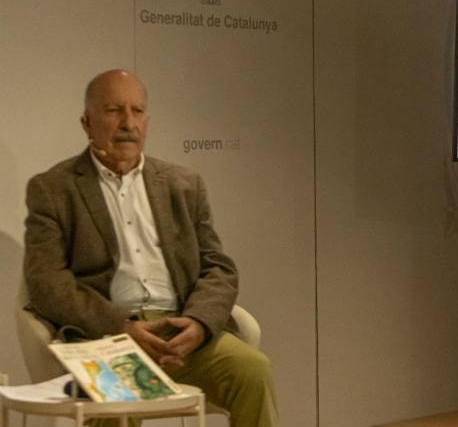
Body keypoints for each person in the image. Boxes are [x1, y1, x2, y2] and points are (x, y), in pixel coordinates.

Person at [23, 69, 278, 427]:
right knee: (116, 400)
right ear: (87, 123)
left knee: (253, 371)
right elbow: (47, 281)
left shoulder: (183, 184)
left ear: (147, 121)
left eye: (137, 111)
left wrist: (198, 323)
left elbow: (218, 266)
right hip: (109, 336)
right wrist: (120, 326)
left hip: (181, 331)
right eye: (114, 110)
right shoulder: (53, 189)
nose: (128, 123)